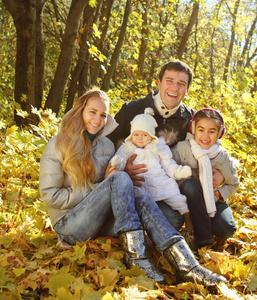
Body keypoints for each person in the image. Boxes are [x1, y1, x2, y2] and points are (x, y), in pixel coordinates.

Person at [39, 88, 227, 288]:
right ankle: (136, 257)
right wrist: (102, 186)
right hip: (69, 225)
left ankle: (186, 266)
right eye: (92, 112)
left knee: (143, 200)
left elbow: (111, 187)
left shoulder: (106, 146)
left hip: (100, 220)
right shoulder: (58, 144)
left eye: (103, 115)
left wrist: (119, 176)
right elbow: (51, 196)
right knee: (120, 178)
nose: (97, 119)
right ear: (80, 111)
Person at [107, 60, 231, 239]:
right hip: (136, 186)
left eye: (181, 84)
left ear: (187, 89)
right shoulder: (132, 110)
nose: (174, 88)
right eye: (169, 81)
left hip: (174, 185)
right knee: (171, 220)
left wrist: (219, 174)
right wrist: (122, 170)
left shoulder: (191, 119)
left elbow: (211, 149)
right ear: (158, 83)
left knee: (222, 227)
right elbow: (106, 146)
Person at [110, 107, 194, 233]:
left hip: (161, 183)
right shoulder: (127, 148)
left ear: (151, 136)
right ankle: (144, 232)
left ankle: (189, 223)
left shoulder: (158, 147)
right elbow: (120, 161)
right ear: (131, 135)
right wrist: (116, 163)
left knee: (177, 198)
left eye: (145, 135)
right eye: (136, 134)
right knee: (139, 207)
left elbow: (168, 164)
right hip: (140, 186)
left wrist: (177, 171)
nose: (140, 138)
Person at [172, 108, 239, 248]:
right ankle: (204, 240)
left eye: (212, 131)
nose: (206, 136)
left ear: (219, 133)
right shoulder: (182, 148)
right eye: (201, 130)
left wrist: (219, 193)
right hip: (186, 199)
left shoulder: (221, 156)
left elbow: (233, 184)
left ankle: (209, 225)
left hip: (211, 201)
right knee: (189, 185)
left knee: (226, 229)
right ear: (193, 129)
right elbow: (167, 171)